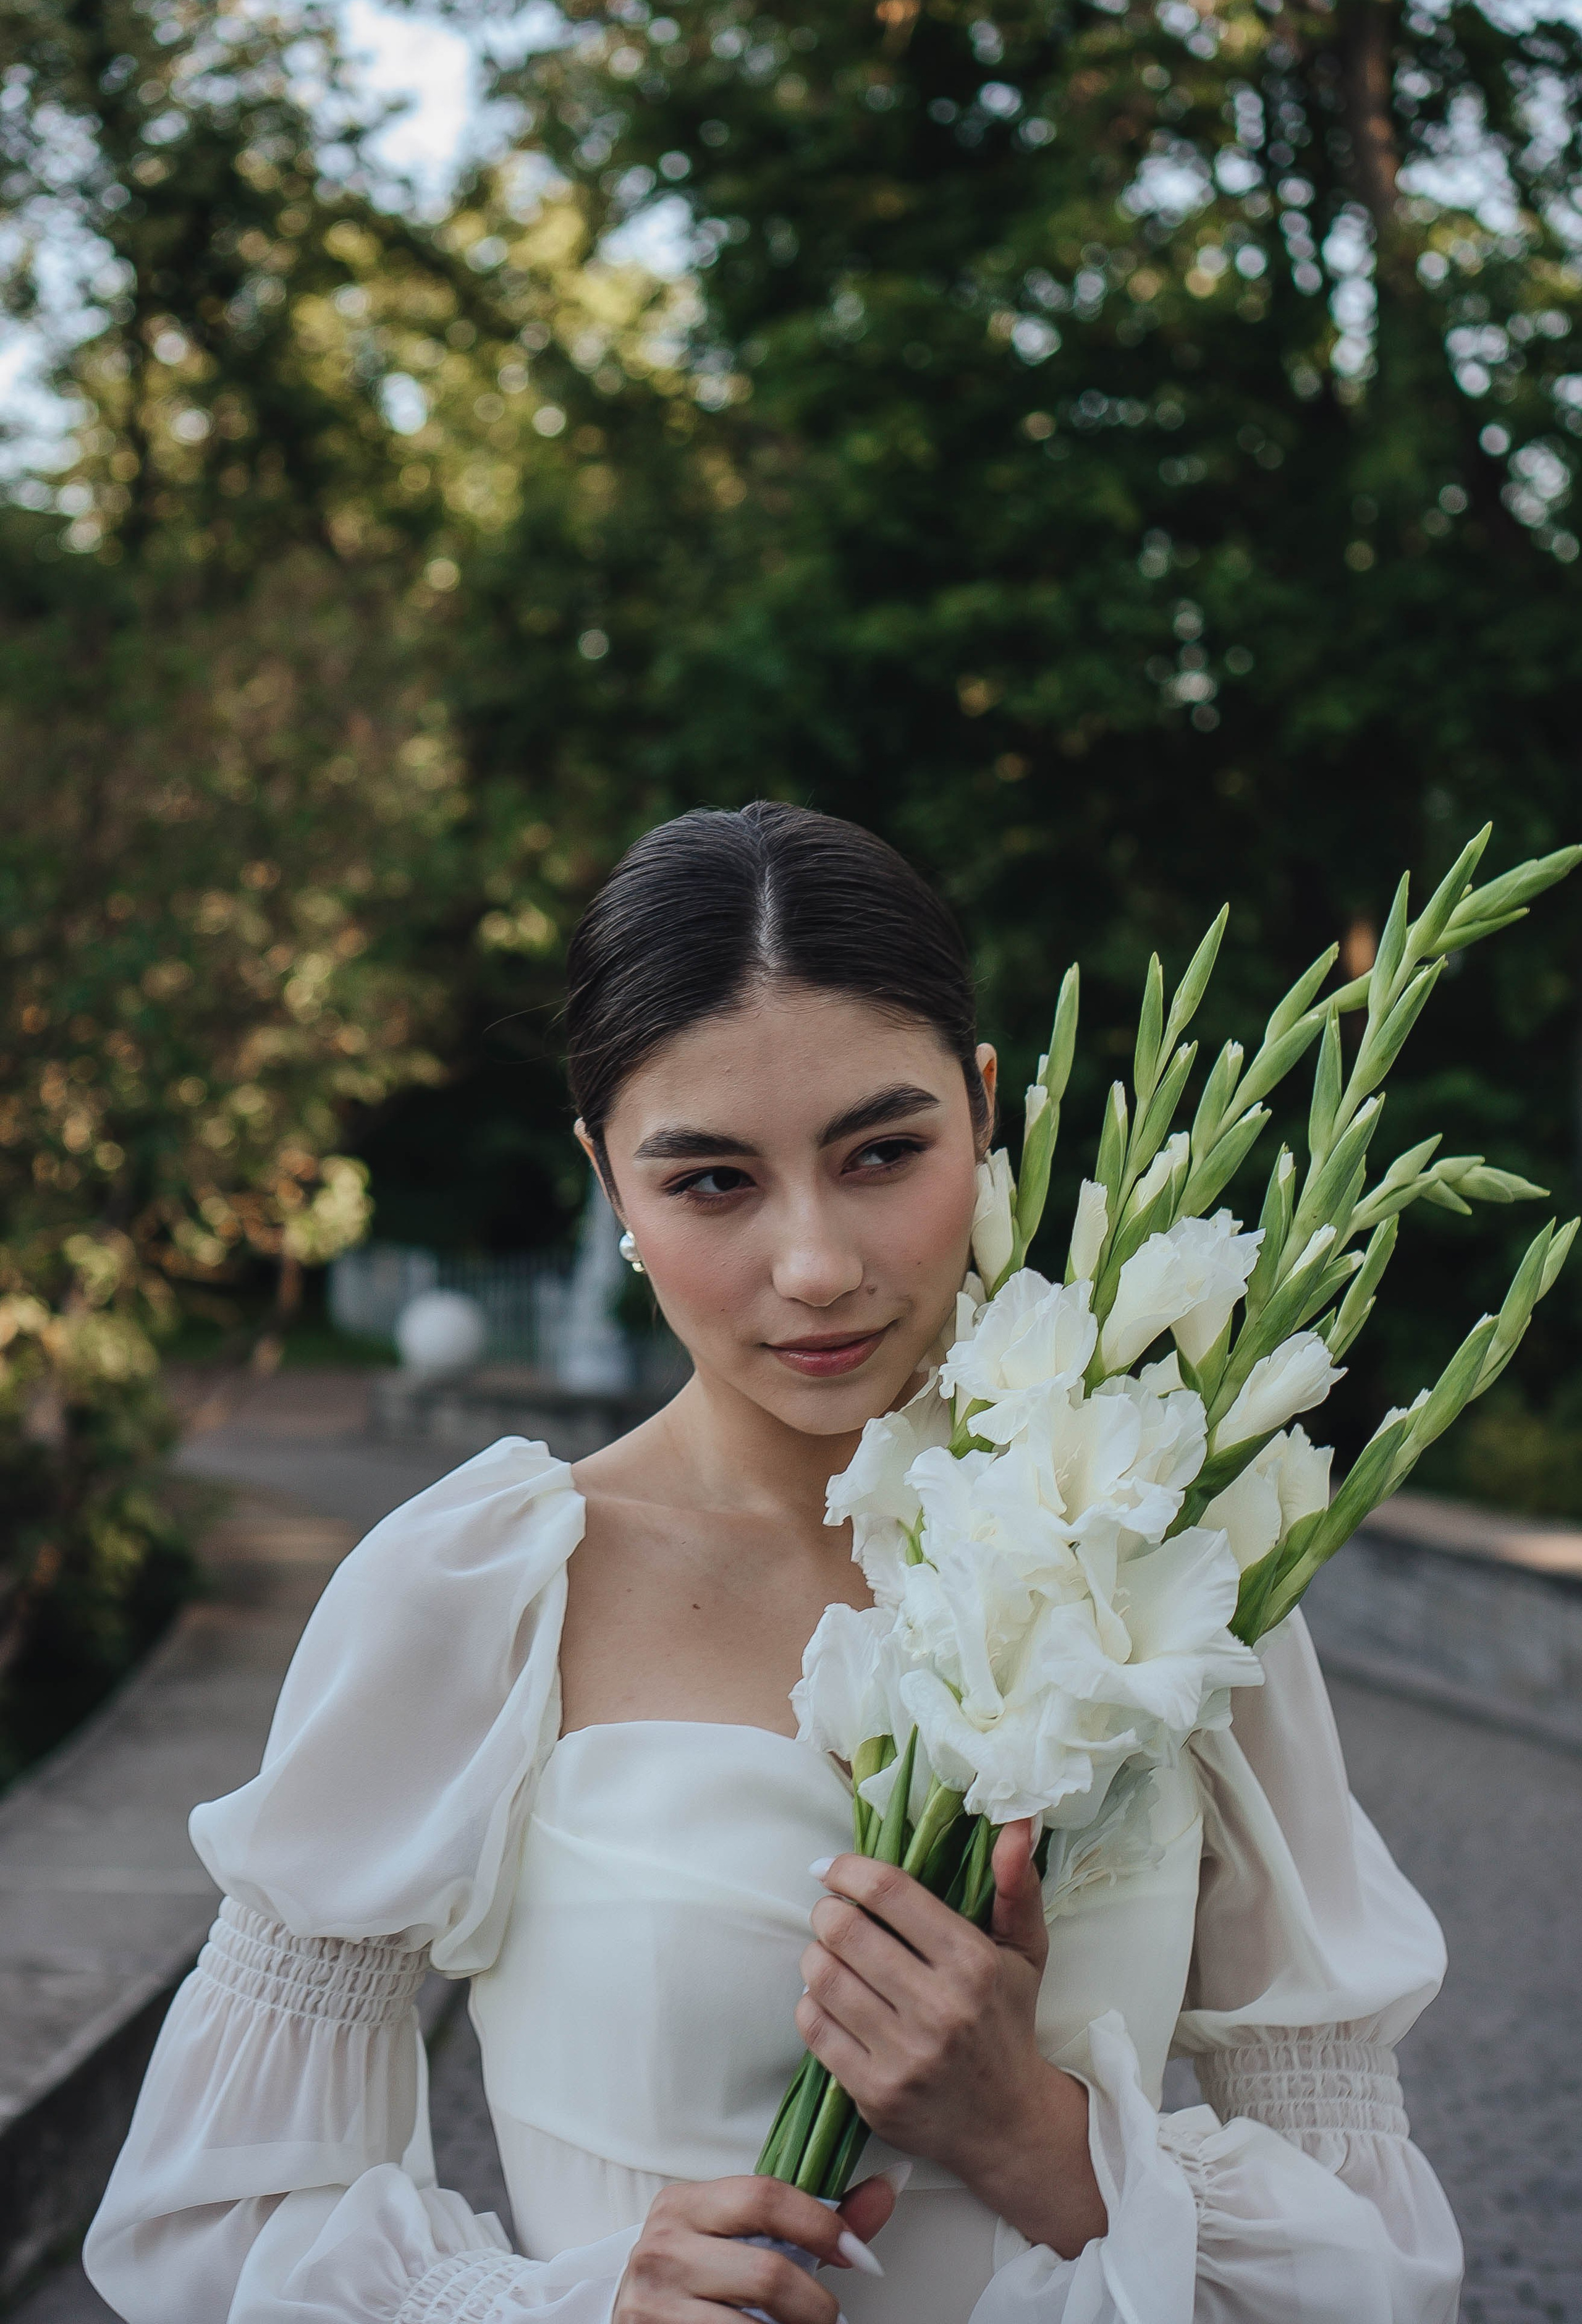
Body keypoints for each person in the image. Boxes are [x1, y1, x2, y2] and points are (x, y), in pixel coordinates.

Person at [86, 803, 1463, 2324]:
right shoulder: (483, 1590)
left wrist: (1039, 2141)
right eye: (711, 1182)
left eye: (882, 1152)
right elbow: (212, 2222)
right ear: (607, 1178)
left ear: (983, 1107)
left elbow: (1368, 2253)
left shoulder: (1160, 1555)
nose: (814, 1265)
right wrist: (574, 2305)